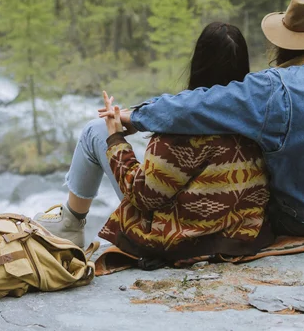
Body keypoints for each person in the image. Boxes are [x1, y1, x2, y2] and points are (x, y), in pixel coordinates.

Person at [105, 0, 304, 237]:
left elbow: (198, 105)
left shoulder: (276, 88)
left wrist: (135, 116)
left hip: (302, 219)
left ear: (287, 44)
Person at [34, 22, 272, 263]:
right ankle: (70, 222)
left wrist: (115, 137)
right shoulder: (257, 113)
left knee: (95, 130)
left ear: (197, 63)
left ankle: (71, 223)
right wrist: (140, 119)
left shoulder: (180, 128)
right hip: (240, 232)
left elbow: (144, 196)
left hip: (182, 240)